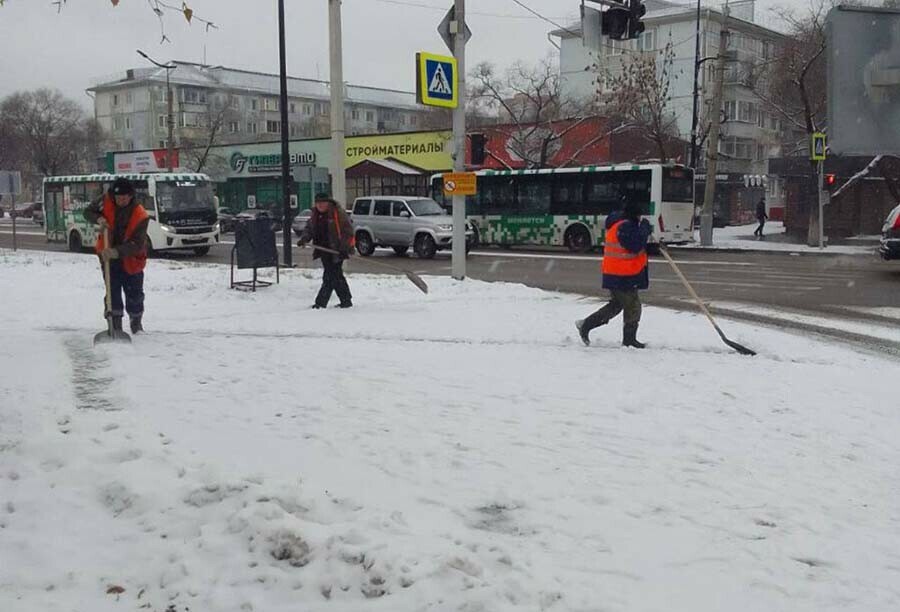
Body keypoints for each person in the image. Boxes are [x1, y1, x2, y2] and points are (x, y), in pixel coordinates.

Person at [576, 199, 652, 349]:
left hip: (618, 273)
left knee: (616, 305)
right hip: (622, 275)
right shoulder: (625, 226)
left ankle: (586, 325)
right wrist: (644, 229)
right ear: (634, 215)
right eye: (639, 216)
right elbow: (635, 245)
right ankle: (629, 339)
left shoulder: (621, 224)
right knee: (633, 306)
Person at [84, 177, 150, 333]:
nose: (121, 200)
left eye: (124, 198)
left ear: (131, 196)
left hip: (131, 259)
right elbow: (87, 212)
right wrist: (98, 218)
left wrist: (117, 252)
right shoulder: (105, 201)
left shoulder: (140, 215)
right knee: (112, 291)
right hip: (108, 258)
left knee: (134, 293)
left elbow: (137, 244)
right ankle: (115, 325)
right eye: (118, 198)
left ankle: (136, 323)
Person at [297, 193, 355, 309]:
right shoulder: (315, 216)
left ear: (328, 203)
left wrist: (344, 248)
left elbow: (348, 232)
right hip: (324, 250)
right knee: (336, 275)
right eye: (318, 203)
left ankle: (320, 303)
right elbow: (309, 229)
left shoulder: (337, 213)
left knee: (330, 276)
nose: (320, 205)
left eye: (323, 203)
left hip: (337, 250)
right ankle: (346, 301)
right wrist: (304, 239)